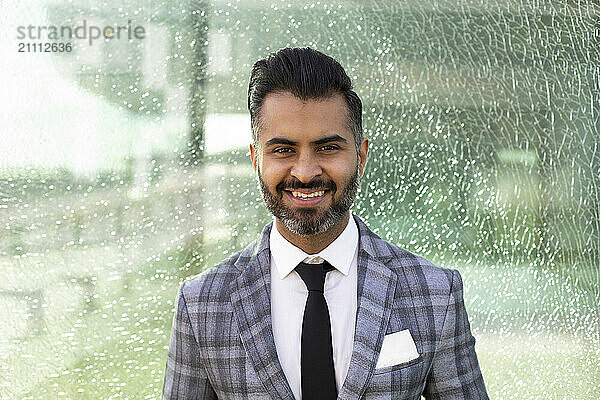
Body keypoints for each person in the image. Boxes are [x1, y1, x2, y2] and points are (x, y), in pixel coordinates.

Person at [162, 47, 489, 400]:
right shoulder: (201, 304)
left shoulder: (436, 293)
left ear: (360, 156)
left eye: (328, 148)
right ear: (256, 159)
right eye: (283, 150)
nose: (305, 172)